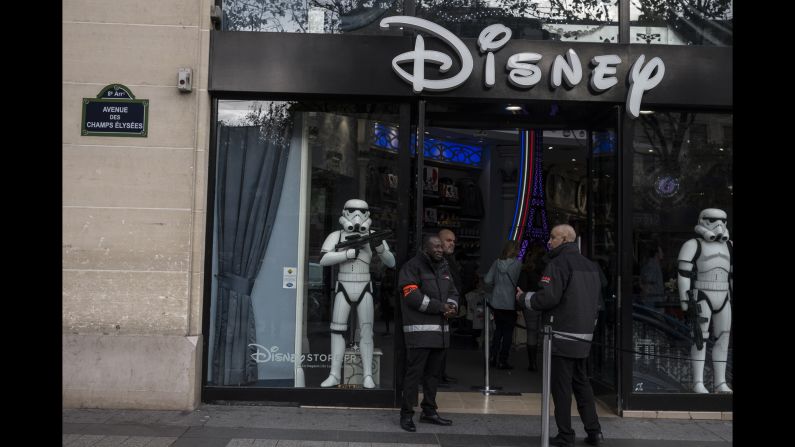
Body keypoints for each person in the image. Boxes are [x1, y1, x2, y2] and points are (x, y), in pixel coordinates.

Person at [516, 224, 604, 447]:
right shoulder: (591, 265)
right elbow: (598, 301)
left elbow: (548, 299)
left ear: (565, 239)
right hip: (583, 336)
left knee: (561, 388)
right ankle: (594, 431)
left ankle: (565, 434)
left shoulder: (557, 264)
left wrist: (524, 297)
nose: (549, 241)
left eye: (553, 237)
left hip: (560, 335)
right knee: (582, 384)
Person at [318, 199, 396, 389]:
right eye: (352, 211)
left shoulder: (372, 235)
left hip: (364, 285)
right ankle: (335, 374)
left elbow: (391, 262)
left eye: (361, 211)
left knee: (367, 331)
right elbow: (323, 259)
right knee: (337, 330)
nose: (357, 215)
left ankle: (367, 374)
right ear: (344, 213)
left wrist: (379, 247)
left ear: (368, 214)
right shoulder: (337, 235)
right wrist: (346, 254)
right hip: (343, 284)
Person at [397, 235, 459, 432]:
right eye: (436, 246)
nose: (441, 249)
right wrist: (441, 307)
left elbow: (454, 292)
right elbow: (412, 297)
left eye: (442, 246)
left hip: (440, 334)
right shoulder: (412, 267)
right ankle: (406, 415)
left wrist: (452, 306)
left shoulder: (444, 267)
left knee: (433, 376)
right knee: (413, 377)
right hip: (419, 334)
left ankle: (429, 412)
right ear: (425, 248)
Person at [676, 208, 732, 394]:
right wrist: (685, 300)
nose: (719, 225)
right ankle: (698, 381)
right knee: (700, 339)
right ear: (703, 221)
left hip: (724, 295)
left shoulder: (729, 245)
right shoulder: (693, 244)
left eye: (722, 221)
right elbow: (683, 274)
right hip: (702, 295)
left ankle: (720, 382)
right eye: (713, 220)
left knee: (723, 338)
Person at [483, 240, 522, 369]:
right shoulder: (518, 265)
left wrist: (496, 285)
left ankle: (493, 357)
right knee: (508, 333)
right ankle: (503, 360)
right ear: (515, 250)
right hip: (511, 302)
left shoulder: (497, 263)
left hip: (496, 301)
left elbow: (487, 280)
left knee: (498, 331)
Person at [437, 228, 461, 384]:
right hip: (439, 307)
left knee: (444, 343)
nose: (452, 243)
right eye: (448, 240)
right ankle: (436, 375)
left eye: (453, 241)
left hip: (450, 307)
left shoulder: (450, 259)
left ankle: (441, 373)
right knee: (437, 344)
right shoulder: (437, 259)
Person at [518, 242, 546, 371]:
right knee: (547, 334)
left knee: (531, 333)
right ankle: (546, 362)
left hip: (530, 302)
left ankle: (533, 363)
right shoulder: (547, 268)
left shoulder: (526, 270)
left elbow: (521, 289)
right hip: (545, 301)